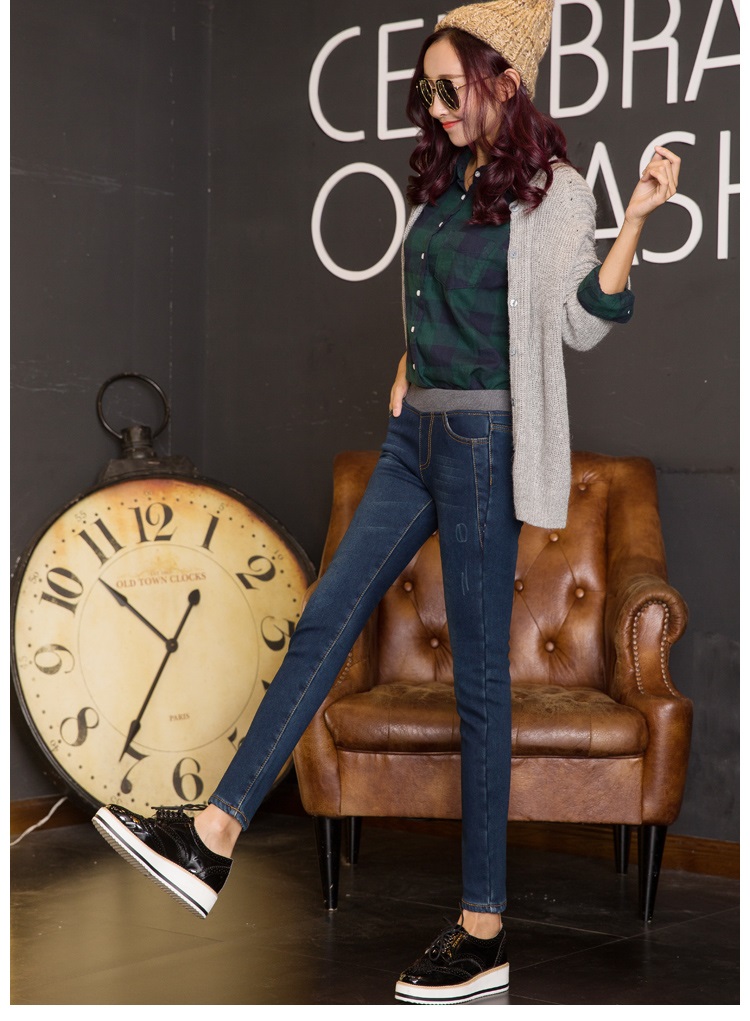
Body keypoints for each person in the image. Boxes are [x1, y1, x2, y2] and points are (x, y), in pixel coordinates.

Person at [93, 0, 680, 1005]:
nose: (437, 105)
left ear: (504, 80)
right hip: (414, 441)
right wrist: (412, 359)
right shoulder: (447, 184)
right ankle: (213, 837)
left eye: (452, 87)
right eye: (428, 89)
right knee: (326, 614)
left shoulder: (556, 190)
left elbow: (583, 322)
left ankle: (484, 929)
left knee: (481, 687)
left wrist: (635, 220)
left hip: (487, 443)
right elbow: (438, 300)